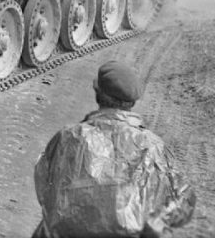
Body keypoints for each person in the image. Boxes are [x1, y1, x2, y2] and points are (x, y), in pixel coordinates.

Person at [32, 60, 196, 238]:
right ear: (132, 102)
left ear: (97, 93)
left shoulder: (68, 137)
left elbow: (44, 185)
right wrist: (155, 222)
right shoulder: (153, 145)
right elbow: (183, 199)